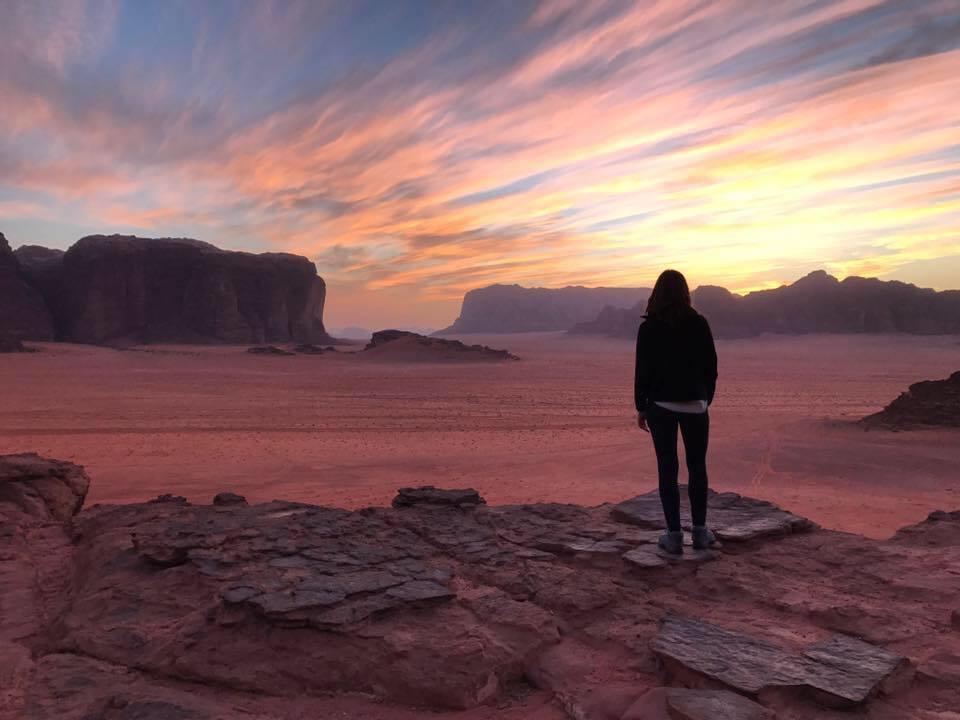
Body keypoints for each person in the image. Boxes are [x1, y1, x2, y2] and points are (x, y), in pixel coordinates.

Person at [634, 269, 718, 555]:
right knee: (697, 466)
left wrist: (641, 406)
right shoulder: (699, 323)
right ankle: (700, 532)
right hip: (695, 405)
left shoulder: (649, 328)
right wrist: (706, 399)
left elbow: (641, 371)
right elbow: (711, 367)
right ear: (685, 292)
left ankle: (673, 536)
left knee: (667, 468)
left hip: (661, 406)